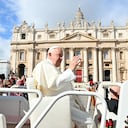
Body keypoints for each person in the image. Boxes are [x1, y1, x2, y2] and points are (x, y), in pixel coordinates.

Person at [32, 46, 95, 127]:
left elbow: (62, 81)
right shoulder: (44, 65)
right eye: (59, 55)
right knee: (90, 123)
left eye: (62, 56)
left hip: (63, 101)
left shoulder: (52, 67)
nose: (62, 58)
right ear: (49, 54)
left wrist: (73, 68)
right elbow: (54, 83)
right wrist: (71, 68)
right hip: (58, 103)